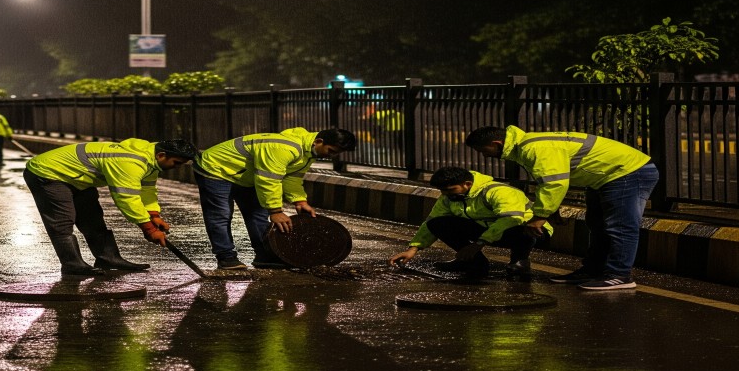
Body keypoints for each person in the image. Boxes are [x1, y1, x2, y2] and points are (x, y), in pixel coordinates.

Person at [465, 125, 658, 290]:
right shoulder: (525, 147)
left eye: (484, 151)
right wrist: (551, 207)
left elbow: (554, 184)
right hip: (605, 178)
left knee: (620, 227)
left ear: (496, 144)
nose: (484, 156)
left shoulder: (533, 148)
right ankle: (593, 270)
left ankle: (619, 275)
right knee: (598, 226)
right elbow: (549, 179)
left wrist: (540, 216)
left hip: (627, 173)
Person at [24, 138, 199, 276]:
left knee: (92, 219)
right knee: (62, 222)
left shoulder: (150, 160)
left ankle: (109, 259)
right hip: (48, 174)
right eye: (176, 163)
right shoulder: (130, 162)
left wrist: (154, 215)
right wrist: (149, 229)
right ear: (162, 155)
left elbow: (146, 189)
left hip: (77, 178)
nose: (176, 167)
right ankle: (72, 265)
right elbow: (127, 197)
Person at [193, 127, 357, 270]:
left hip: (244, 174)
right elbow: (269, 179)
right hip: (216, 168)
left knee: (256, 213)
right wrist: (276, 210)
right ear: (319, 141)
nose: (331, 156)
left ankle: (265, 255)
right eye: (331, 151)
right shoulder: (284, 148)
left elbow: (292, 177)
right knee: (221, 214)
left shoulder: (307, 153)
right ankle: (226, 257)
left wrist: (299, 201)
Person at [387, 166, 552, 278]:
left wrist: (478, 244)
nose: (445, 194)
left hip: (531, 232)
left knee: (521, 227)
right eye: (442, 191)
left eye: (450, 190)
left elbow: (510, 219)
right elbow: (431, 221)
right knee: (438, 223)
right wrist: (413, 249)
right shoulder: (449, 197)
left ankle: (520, 261)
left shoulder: (498, 192)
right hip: (489, 232)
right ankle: (473, 262)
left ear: (467, 184)